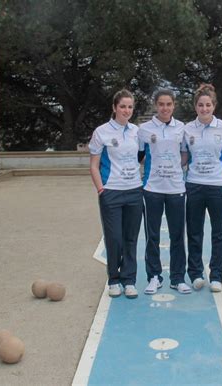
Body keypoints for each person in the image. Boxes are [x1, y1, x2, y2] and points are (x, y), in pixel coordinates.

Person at [89, 89, 143, 299]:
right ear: (114, 108)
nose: (126, 111)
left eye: (130, 107)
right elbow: (93, 165)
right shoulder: (101, 132)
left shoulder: (136, 132)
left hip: (134, 192)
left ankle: (129, 280)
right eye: (122, 106)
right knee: (114, 238)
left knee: (131, 238)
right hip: (111, 192)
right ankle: (114, 279)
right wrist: (101, 189)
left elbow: (139, 157)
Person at [138, 90, 192, 294]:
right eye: (161, 104)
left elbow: (185, 153)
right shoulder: (144, 129)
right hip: (152, 188)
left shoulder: (182, 128)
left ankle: (177, 278)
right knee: (152, 236)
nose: (165, 108)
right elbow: (140, 155)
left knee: (177, 235)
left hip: (176, 188)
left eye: (168, 104)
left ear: (174, 106)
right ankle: (154, 276)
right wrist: (157, 167)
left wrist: (174, 167)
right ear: (155, 105)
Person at [183, 84, 222, 293]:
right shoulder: (187, 129)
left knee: (218, 233)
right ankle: (195, 273)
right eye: (201, 105)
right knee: (194, 232)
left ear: (214, 106)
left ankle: (216, 275)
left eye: (208, 105)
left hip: (218, 186)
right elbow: (184, 157)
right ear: (196, 106)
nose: (204, 109)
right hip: (194, 185)